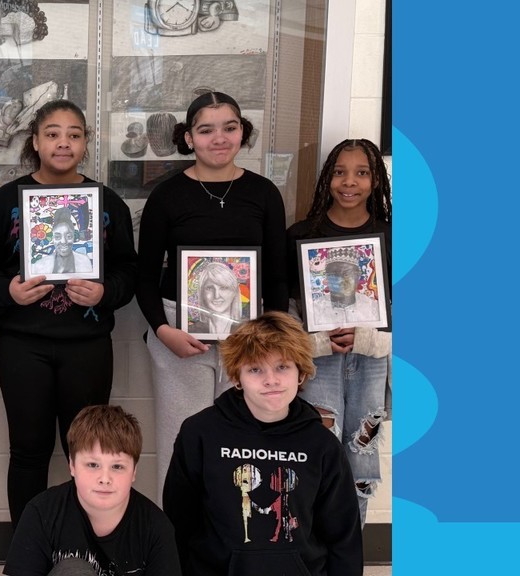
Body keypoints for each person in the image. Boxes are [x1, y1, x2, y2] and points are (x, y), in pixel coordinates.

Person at [0, 99, 138, 528]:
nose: (63, 143)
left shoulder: (107, 203)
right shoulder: (5, 200)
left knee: (88, 454)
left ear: (85, 142)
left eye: (74, 134)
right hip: (23, 345)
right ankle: (27, 548)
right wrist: (7, 291)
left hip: (87, 347)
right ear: (35, 141)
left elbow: (128, 271)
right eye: (52, 133)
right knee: (27, 451)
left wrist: (104, 293)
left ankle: (85, 544)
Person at [135, 91, 288, 501]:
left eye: (230, 127)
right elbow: (144, 275)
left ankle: (233, 538)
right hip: (180, 334)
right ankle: (179, 545)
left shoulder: (264, 193)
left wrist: (269, 343)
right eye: (206, 130)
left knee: (244, 441)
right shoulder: (167, 196)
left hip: (250, 336)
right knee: (179, 439)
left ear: (242, 132)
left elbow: (277, 275)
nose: (219, 138)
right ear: (188, 138)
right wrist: (162, 330)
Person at [162, 312, 363, 576]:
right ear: (236, 377)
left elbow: (343, 535)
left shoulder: (321, 444)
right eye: (255, 369)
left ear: (300, 374)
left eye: (282, 367)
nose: (271, 380)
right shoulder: (199, 433)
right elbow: (180, 522)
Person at [286, 138, 392, 525]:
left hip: (371, 361)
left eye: (362, 172)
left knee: (361, 461)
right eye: (339, 172)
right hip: (319, 363)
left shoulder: (393, 236)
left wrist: (373, 340)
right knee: (317, 455)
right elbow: (285, 314)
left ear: (376, 180)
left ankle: (350, 556)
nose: (350, 182)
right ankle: (311, 555)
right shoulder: (299, 235)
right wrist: (312, 343)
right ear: (326, 179)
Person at [4, 405, 181, 575]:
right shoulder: (41, 513)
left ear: (134, 471)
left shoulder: (155, 527)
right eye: (93, 465)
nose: (105, 479)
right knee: (73, 570)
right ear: (72, 466)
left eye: (117, 466)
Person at [307, 248, 381, 325]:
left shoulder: (372, 307)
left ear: (357, 276)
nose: (339, 280)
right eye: (334, 274)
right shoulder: (315, 310)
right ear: (326, 278)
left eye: (346, 274)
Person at [30, 206, 95, 275]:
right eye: (57, 237)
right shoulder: (39, 266)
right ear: (53, 238)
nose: (63, 241)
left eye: (69, 236)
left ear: (74, 237)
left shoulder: (84, 261)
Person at [188, 261, 242, 336]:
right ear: (202, 293)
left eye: (223, 288)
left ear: (234, 292)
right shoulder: (191, 331)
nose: (216, 295)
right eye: (210, 288)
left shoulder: (247, 330)